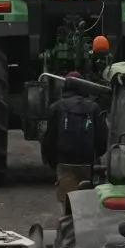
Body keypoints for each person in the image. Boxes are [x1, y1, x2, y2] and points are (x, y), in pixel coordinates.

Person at [43, 76, 108, 208]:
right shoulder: (94, 108)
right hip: (88, 163)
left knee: (69, 204)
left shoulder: (56, 107)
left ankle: (70, 226)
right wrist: (95, 157)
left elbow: (49, 138)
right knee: (87, 203)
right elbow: (102, 138)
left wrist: (52, 162)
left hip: (65, 163)